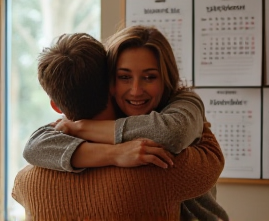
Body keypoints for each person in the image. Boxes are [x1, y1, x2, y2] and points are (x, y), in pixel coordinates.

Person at [12, 32, 224, 221]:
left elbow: (172, 133)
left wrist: (81, 127)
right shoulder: (148, 154)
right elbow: (35, 145)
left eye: (150, 77)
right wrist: (115, 153)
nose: (135, 90)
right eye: (124, 77)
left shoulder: (183, 105)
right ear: (110, 84)